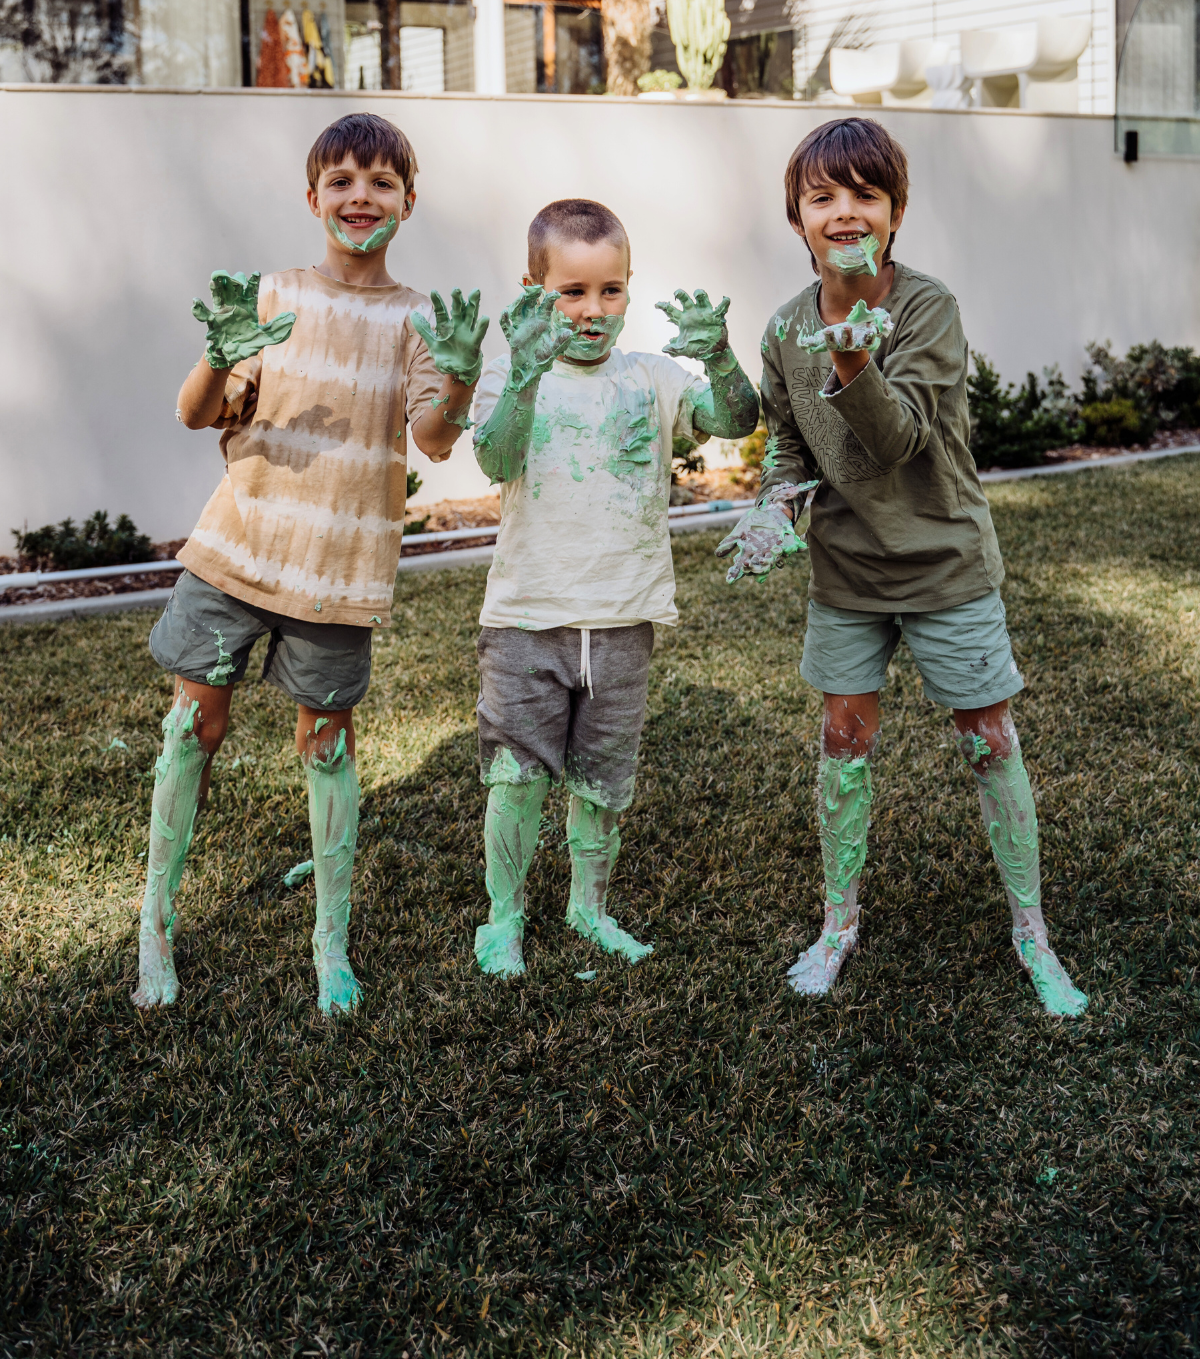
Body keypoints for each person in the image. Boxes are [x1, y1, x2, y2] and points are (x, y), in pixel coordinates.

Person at [719, 117, 1088, 1018]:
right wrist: (774, 504)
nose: (845, 211)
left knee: (988, 741)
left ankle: (1031, 931)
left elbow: (898, 441)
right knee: (842, 743)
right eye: (823, 197)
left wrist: (851, 359)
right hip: (847, 573)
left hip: (944, 562)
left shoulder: (927, 308)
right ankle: (839, 924)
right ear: (797, 218)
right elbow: (790, 452)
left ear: (895, 212)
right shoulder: (781, 329)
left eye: (865, 194)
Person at [133, 111, 487, 1018]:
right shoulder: (271, 295)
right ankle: (156, 922)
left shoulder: (417, 319)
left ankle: (330, 941)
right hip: (233, 554)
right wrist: (219, 357)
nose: (360, 197)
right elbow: (194, 412)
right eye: (342, 181)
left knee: (327, 747)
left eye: (379, 182)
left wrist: (460, 379)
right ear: (313, 197)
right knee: (190, 734)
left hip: (338, 577)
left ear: (410, 200)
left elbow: (432, 441)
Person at [469, 197, 760, 978]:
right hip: (528, 617)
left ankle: (588, 907)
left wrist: (722, 357)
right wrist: (527, 373)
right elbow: (494, 460)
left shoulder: (653, 379)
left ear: (629, 289)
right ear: (534, 291)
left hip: (625, 617)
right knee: (517, 776)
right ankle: (504, 918)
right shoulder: (509, 371)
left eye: (611, 291)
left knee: (602, 780)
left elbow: (734, 418)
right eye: (571, 292)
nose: (593, 312)